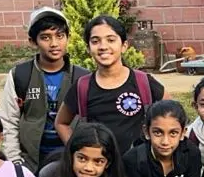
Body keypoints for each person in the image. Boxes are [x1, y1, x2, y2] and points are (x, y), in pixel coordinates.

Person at [54, 15, 165, 154]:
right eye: (95, 41)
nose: (103, 46)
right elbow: (61, 123)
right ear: (88, 48)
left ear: (124, 46)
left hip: (137, 164)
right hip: (100, 165)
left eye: (111, 40)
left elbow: (173, 115)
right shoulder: (82, 86)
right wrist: (78, 151)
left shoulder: (143, 82)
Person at [0, 6, 86, 173]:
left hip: (71, 159)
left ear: (68, 37)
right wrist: (15, 161)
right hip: (30, 160)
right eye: (45, 37)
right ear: (33, 41)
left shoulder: (81, 77)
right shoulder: (20, 75)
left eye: (60, 36)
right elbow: (9, 120)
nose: (54, 44)